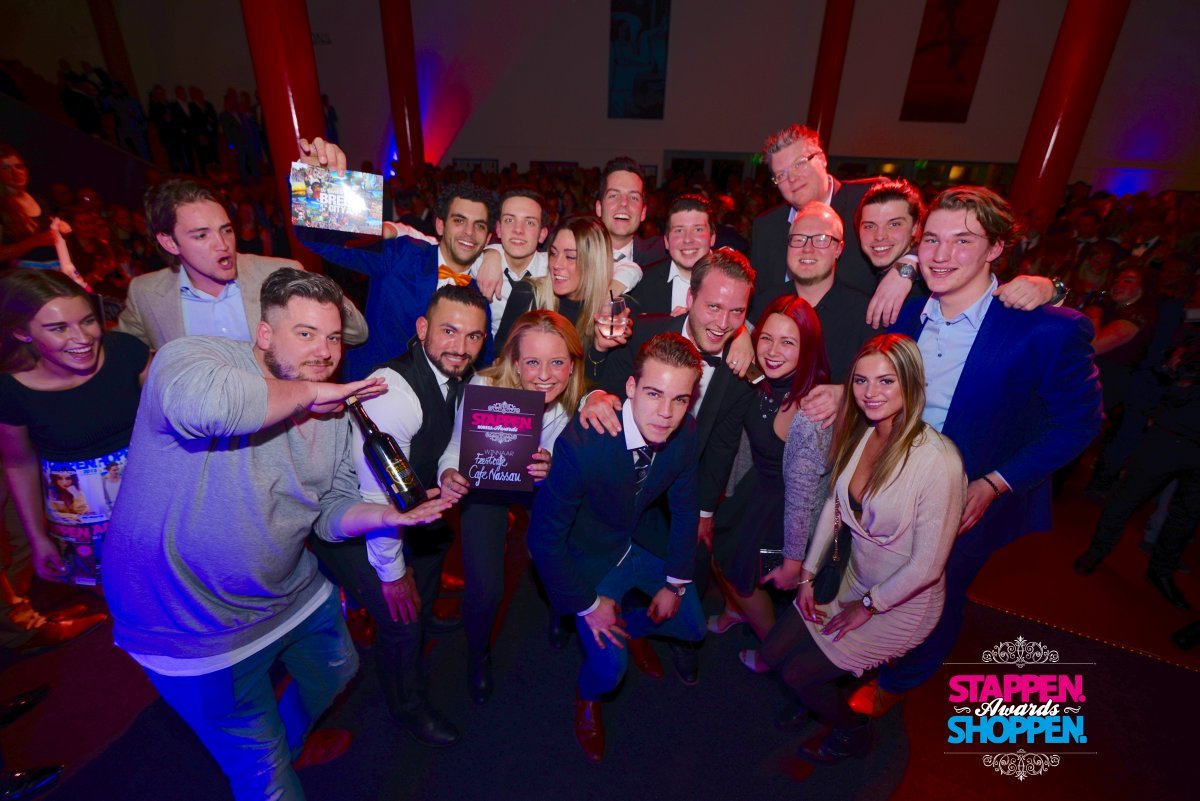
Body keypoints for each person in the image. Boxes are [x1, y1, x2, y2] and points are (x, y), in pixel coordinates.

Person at [103, 268, 452, 801]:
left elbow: (330, 511)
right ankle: (274, 754)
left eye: (332, 338)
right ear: (264, 334)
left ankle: (288, 740)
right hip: (191, 621)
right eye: (305, 333)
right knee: (264, 777)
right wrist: (310, 394)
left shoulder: (334, 415)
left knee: (338, 669)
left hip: (289, 590)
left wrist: (388, 519)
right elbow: (212, 408)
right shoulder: (193, 359)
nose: (324, 352)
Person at [851, 186, 1103, 716]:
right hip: (890, 483)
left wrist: (995, 483)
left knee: (935, 598)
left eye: (963, 241)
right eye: (932, 240)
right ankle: (858, 660)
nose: (942, 255)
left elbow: (1078, 424)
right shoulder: (906, 314)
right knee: (876, 579)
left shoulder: (1045, 330)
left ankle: (895, 685)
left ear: (996, 248)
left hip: (966, 498)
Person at [761, 333, 965, 764]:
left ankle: (853, 729)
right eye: (861, 380)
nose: (870, 393)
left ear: (912, 383)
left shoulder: (939, 462)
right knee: (774, 651)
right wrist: (808, 576)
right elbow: (835, 506)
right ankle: (816, 697)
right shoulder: (866, 431)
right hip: (855, 579)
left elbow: (927, 567)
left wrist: (870, 606)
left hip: (901, 603)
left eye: (886, 381)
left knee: (798, 674)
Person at [310, 283, 489, 748]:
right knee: (401, 617)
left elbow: (451, 438)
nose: (461, 346)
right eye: (449, 331)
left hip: (410, 504)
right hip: (353, 519)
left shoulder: (460, 374)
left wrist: (447, 470)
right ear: (422, 328)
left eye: (473, 336)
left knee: (430, 560)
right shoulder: (393, 393)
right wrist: (392, 575)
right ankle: (407, 705)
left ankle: (423, 613)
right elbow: (377, 504)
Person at [528, 333, 705, 763]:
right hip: (590, 559)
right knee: (609, 671)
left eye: (680, 400)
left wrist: (675, 583)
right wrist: (589, 605)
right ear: (630, 387)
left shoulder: (685, 432)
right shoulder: (583, 445)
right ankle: (587, 698)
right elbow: (542, 540)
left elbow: (685, 510)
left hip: (639, 542)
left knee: (693, 626)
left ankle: (630, 627)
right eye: (654, 394)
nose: (666, 413)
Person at [583, 249, 759, 682]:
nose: (723, 323)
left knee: (689, 568)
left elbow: (722, 446)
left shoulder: (740, 368)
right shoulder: (643, 332)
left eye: (736, 312)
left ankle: (661, 633)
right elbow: (601, 385)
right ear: (690, 298)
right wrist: (594, 395)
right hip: (614, 484)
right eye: (713, 307)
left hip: (679, 489)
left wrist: (705, 511)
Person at [437, 310, 586, 703]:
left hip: (539, 486)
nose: (545, 375)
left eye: (557, 362)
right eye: (533, 362)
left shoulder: (575, 402)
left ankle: (561, 609)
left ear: (572, 365)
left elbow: (574, 469)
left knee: (557, 557)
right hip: (487, 483)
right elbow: (455, 449)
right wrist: (448, 473)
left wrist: (552, 468)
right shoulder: (484, 387)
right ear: (515, 364)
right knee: (485, 589)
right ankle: (478, 653)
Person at [294, 137, 496, 378]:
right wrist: (317, 182)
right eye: (459, 221)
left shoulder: (484, 291)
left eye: (479, 225)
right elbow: (323, 242)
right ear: (440, 225)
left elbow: (482, 369)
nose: (469, 232)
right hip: (373, 388)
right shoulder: (403, 255)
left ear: (488, 238)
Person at [706, 294, 832, 670]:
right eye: (766, 338)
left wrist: (794, 561)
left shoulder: (809, 413)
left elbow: (803, 497)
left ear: (807, 348)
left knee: (744, 577)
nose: (773, 351)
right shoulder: (763, 379)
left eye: (788, 342)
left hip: (783, 510)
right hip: (754, 488)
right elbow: (729, 323)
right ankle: (736, 612)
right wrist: (740, 335)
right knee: (718, 553)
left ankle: (774, 651)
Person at [0, 269, 123, 642]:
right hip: (83, 520)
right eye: (58, 328)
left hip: (153, 502)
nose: (82, 338)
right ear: (22, 332)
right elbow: (18, 462)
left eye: (87, 320)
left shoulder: (125, 353)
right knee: (126, 608)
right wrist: (37, 537)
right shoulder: (11, 391)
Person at [118, 177, 367, 352]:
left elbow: (358, 334)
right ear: (170, 242)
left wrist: (325, 182)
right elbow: (122, 360)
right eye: (202, 235)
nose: (222, 244)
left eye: (226, 230)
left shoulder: (277, 273)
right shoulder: (145, 292)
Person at [0, 144, 72, 269]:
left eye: (19, 166)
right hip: (24, 275)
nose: (15, 172)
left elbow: (49, 230)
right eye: (6, 168)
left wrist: (59, 228)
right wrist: (35, 241)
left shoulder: (39, 200)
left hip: (54, 269)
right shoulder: (2, 206)